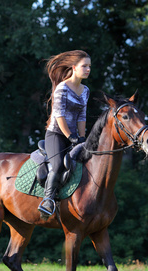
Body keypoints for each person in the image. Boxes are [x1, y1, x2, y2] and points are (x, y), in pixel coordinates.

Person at [38, 50, 91, 217]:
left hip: (75, 136)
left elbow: (82, 116)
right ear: (74, 68)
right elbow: (58, 115)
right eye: (84, 66)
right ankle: (48, 200)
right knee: (59, 165)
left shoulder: (85, 90)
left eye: (89, 66)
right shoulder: (62, 88)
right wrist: (70, 136)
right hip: (56, 135)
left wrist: (82, 138)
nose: (88, 69)